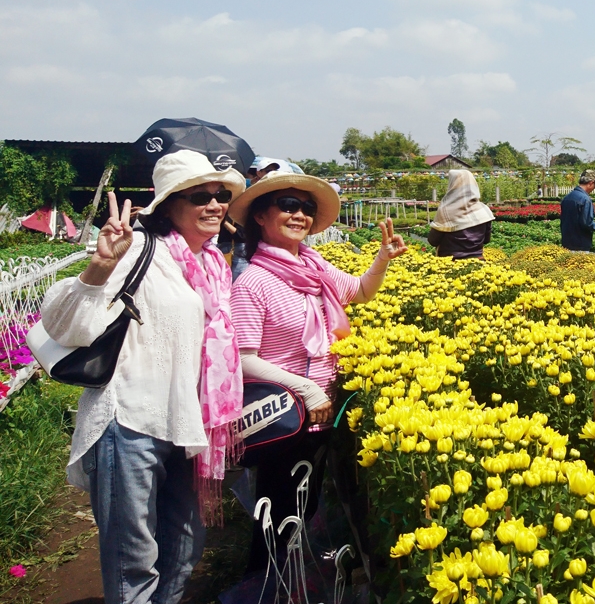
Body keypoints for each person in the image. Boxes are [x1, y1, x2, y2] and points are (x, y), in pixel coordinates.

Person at [40, 150, 246, 604]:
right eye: (200, 196)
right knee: (134, 556)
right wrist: (99, 267)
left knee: (185, 546)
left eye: (220, 195)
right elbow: (64, 324)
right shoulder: (139, 251)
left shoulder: (213, 265)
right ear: (170, 204)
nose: (214, 204)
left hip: (188, 423)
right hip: (130, 420)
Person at [226, 169, 407, 581]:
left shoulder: (313, 266)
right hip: (285, 415)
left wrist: (382, 258)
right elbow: (243, 357)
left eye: (306, 207)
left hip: (322, 411)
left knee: (304, 508)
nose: (300, 215)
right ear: (259, 216)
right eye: (287, 205)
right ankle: (265, 584)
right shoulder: (253, 282)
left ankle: (294, 581)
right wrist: (307, 390)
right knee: (278, 510)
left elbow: (359, 292)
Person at [427, 169, 495, 259]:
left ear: (452, 185)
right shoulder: (483, 210)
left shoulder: (446, 210)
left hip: (450, 265)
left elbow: (433, 241)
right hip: (478, 263)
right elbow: (486, 240)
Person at [560, 170, 595, 251]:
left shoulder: (567, 197)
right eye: (594, 186)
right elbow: (587, 224)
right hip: (580, 245)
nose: (594, 189)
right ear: (590, 183)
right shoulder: (586, 199)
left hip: (566, 243)